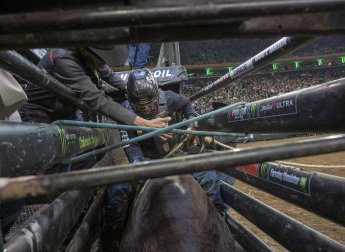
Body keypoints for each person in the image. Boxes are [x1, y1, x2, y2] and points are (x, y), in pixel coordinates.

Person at [103, 68, 227, 250]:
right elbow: (130, 144)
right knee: (117, 191)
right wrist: (139, 163)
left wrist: (192, 124)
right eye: (140, 104)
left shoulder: (169, 98)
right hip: (147, 159)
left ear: (156, 92)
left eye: (149, 102)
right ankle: (111, 240)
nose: (145, 107)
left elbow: (187, 105)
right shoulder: (125, 113)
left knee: (209, 178)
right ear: (130, 99)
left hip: (176, 155)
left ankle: (222, 223)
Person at [19, 46, 169, 129]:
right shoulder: (64, 59)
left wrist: (130, 87)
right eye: (102, 60)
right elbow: (97, 99)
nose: (104, 64)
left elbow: (108, 75)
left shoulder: (94, 56)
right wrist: (144, 123)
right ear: (84, 50)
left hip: (63, 112)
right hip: (38, 113)